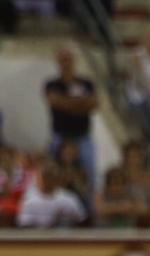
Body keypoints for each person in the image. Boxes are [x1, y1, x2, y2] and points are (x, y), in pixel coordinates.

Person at [45, 46, 98, 188]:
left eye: (68, 59)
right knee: (54, 173)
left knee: (89, 174)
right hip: (60, 136)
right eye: (62, 60)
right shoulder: (52, 84)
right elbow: (56, 102)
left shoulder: (86, 83)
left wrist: (66, 103)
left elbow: (94, 104)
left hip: (82, 136)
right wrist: (81, 104)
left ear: (74, 61)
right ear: (57, 62)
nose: (65, 63)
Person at [16, 164, 87, 228]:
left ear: (55, 180)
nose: (46, 181)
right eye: (42, 178)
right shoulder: (29, 199)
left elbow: (82, 220)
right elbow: (23, 225)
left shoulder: (68, 198)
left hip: (65, 239)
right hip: (37, 238)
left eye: (49, 177)